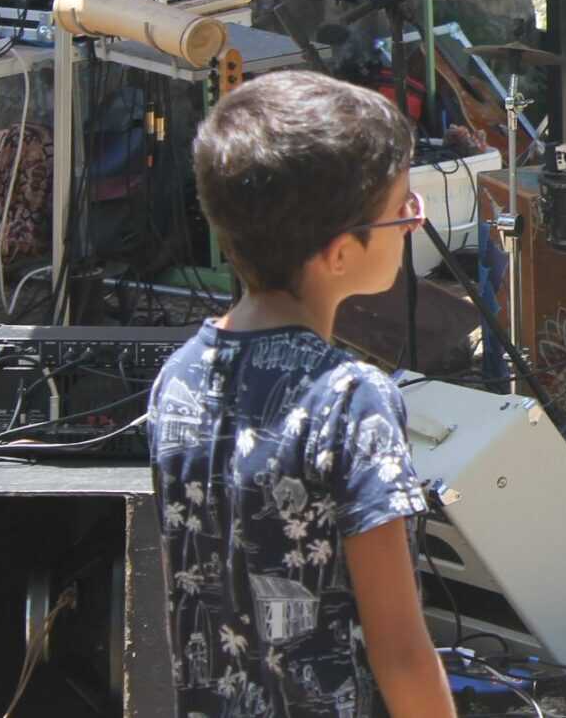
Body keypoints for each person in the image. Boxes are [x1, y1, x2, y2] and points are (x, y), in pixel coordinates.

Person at [146, 71, 458, 717]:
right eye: (403, 211)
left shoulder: (173, 380)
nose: (410, 224)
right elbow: (398, 650)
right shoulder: (349, 400)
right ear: (339, 253)